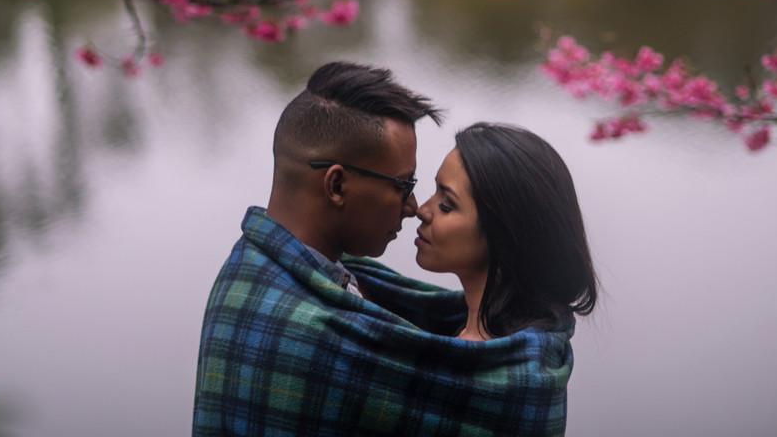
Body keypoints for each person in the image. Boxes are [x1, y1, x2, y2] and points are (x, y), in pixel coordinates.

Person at [193, 63, 597, 436]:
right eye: (403, 185)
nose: (414, 207)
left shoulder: (259, 276)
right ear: (337, 185)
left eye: (444, 201)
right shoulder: (295, 330)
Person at [414, 122, 597, 345]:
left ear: (504, 233)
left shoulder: (498, 360)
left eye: (446, 205)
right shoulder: (452, 329)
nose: (421, 210)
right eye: (435, 192)